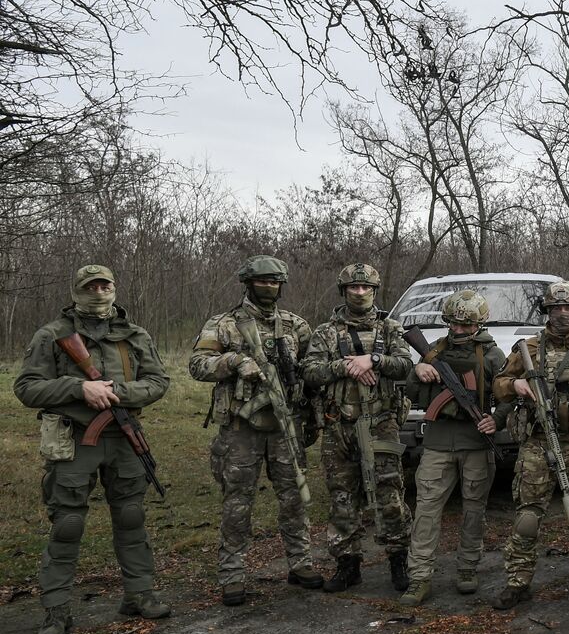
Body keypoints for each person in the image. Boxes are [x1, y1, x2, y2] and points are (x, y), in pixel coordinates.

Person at [16, 265, 172, 634]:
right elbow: (27, 388)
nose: (99, 292)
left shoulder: (134, 334)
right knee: (68, 525)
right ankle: (56, 611)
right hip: (74, 440)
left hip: (124, 437)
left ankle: (139, 594)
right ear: (77, 291)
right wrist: (78, 388)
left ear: (114, 289)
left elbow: (158, 382)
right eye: (91, 286)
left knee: (132, 516)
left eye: (105, 285)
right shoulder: (53, 335)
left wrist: (118, 392)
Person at [189, 256, 323, 606]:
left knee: (294, 496)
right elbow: (198, 364)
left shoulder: (295, 326)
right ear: (247, 282)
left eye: (275, 282)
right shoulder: (224, 324)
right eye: (262, 281)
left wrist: (312, 416)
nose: (269, 287)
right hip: (241, 429)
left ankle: (300, 562)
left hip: (285, 426)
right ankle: (232, 575)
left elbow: (311, 374)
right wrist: (233, 361)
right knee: (237, 502)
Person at [492, 281, 569, 609]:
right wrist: (516, 383)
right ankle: (518, 580)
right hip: (537, 441)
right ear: (547, 311)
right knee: (528, 517)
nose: (564, 314)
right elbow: (498, 385)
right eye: (557, 308)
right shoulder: (529, 348)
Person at [301, 263, 413, 595]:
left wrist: (374, 361)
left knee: (390, 495)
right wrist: (348, 366)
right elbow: (310, 372)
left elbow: (405, 366)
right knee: (342, 498)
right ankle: (348, 566)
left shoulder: (391, 328)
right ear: (344, 291)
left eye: (366, 288)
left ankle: (398, 562)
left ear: (375, 291)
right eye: (354, 288)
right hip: (339, 427)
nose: (360, 293)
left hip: (381, 424)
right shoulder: (325, 331)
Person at [399, 290, 506, 605]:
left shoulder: (493, 355)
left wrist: (496, 420)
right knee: (427, 512)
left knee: (474, 511)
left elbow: (507, 396)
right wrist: (417, 371)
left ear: (478, 323)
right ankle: (419, 577)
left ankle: (468, 568)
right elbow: (414, 390)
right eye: (454, 324)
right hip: (438, 443)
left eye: (466, 325)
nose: (458, 330)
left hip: (476, 444)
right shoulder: (433, 350)